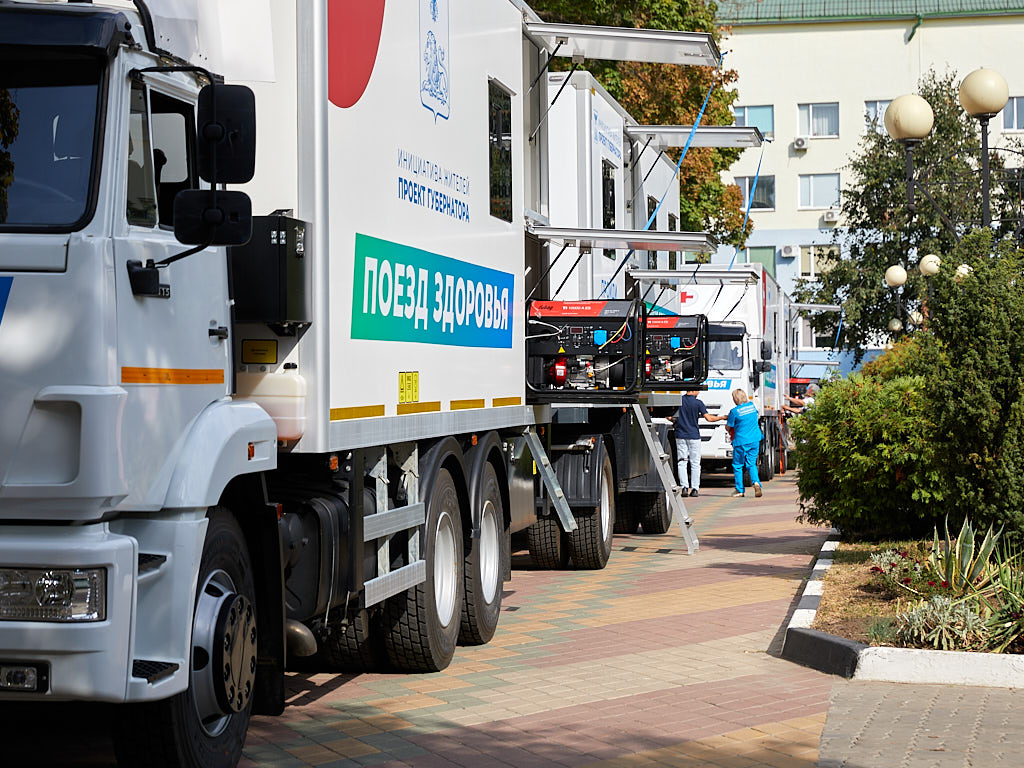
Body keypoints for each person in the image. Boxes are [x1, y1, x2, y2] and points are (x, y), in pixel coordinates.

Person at [669, 390, 726, 497]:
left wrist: (675, 421)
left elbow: (669, 416)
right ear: (694, 390)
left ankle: (684, 487)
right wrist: (722, 417)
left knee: (682, 462)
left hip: (680, 435)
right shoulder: (698, 403)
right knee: (695, 463)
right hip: (694, 436)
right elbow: (709, 418)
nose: (699, 393)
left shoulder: (678, 401)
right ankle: (695, 489)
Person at [726, 388, 763, 498]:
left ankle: (739, 490)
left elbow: (729, 426)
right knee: (751, 464)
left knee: (737, 465)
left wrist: (727, 427)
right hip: (755, 439)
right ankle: (756, 482)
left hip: (741, 441)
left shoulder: (734, 411)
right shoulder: (752, 407)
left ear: (735, 399)